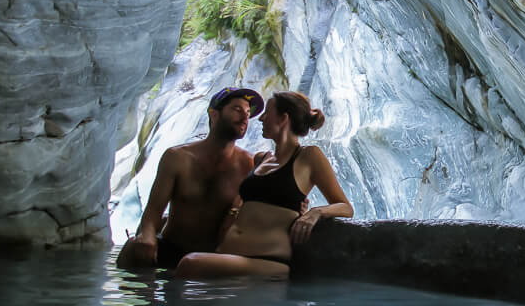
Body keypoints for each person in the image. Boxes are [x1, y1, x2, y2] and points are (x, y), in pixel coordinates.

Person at [175, 91, 353, 279]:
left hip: (266, 261)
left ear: (283, 119)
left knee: (189, 264)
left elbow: (345, 207)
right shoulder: (261, 159)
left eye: (267, 113)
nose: (260, 119)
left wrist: (314, 213)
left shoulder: (309, 156)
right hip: (230, 255)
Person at [116, 87, 265, 270]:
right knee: (132, 248)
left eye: (248, 113)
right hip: (172, 248)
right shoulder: (178, 158)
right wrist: (146, 235)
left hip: (214, 257)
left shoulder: (249, 165)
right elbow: (152, 212)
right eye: (237, 110)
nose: (245, 118)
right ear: (214, 114)